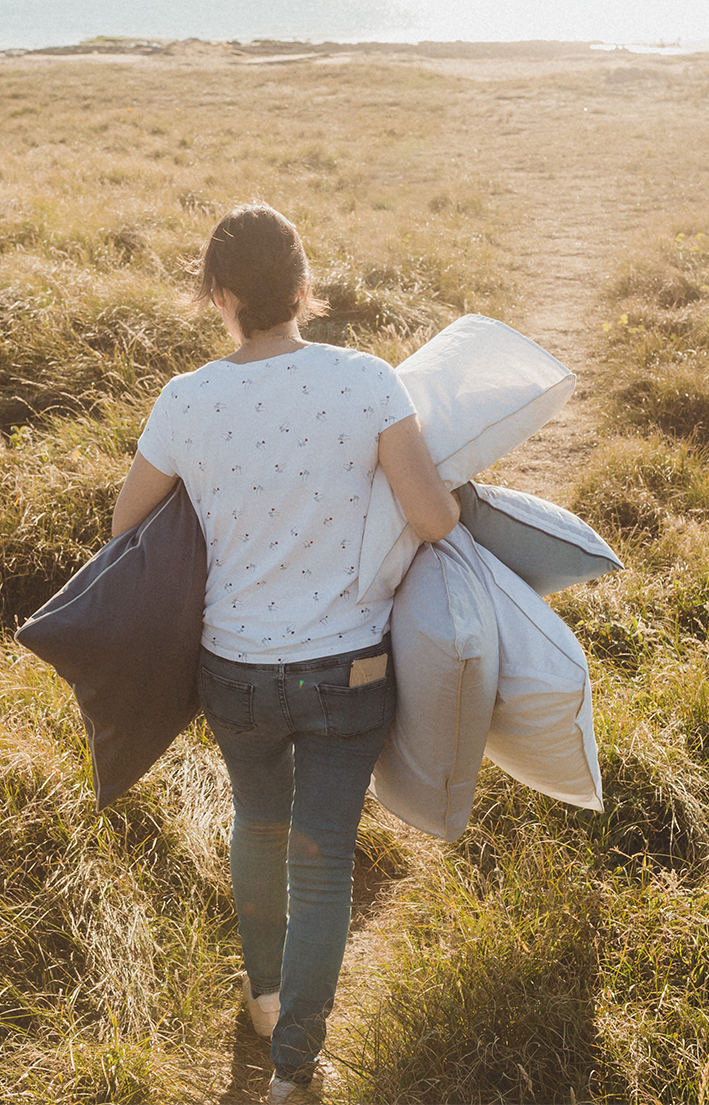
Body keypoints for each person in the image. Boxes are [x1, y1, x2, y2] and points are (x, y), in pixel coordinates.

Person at [112, 203, 459, 1104]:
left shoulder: (185, 399)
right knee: (324, 860)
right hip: (349, 672)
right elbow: (431, 519)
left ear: (218, 294)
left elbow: (127, 526)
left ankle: (265, 1000)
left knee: (258, 826)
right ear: (304, 284)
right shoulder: (367, 380)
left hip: (233, 670)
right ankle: (294, 1068)